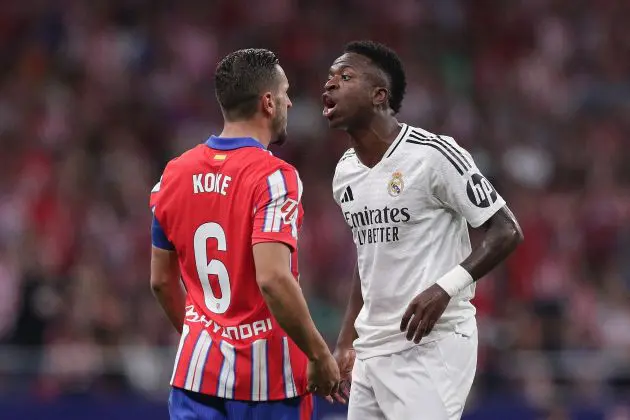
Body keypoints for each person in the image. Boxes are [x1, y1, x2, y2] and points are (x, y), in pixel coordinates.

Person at [323, 40, 524, 419]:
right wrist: (346, 339)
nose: (329, 85)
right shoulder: (344, 173)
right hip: (371, 351)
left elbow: (507, 230)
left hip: (433, 345)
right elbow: (368, 256)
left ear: (379, 95)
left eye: (345, 76)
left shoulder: (434, 155)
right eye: (330, 78)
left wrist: (444, 289)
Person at [150, 48, 339, 420]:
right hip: (270, 386)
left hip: (195, 379)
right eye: (285, 91)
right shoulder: (274, 177)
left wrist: (206, 337)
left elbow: (160, 281)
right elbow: (272, 278)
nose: (289, 100)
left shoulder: (172, 174)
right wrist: (319, 354)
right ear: (267, 102)